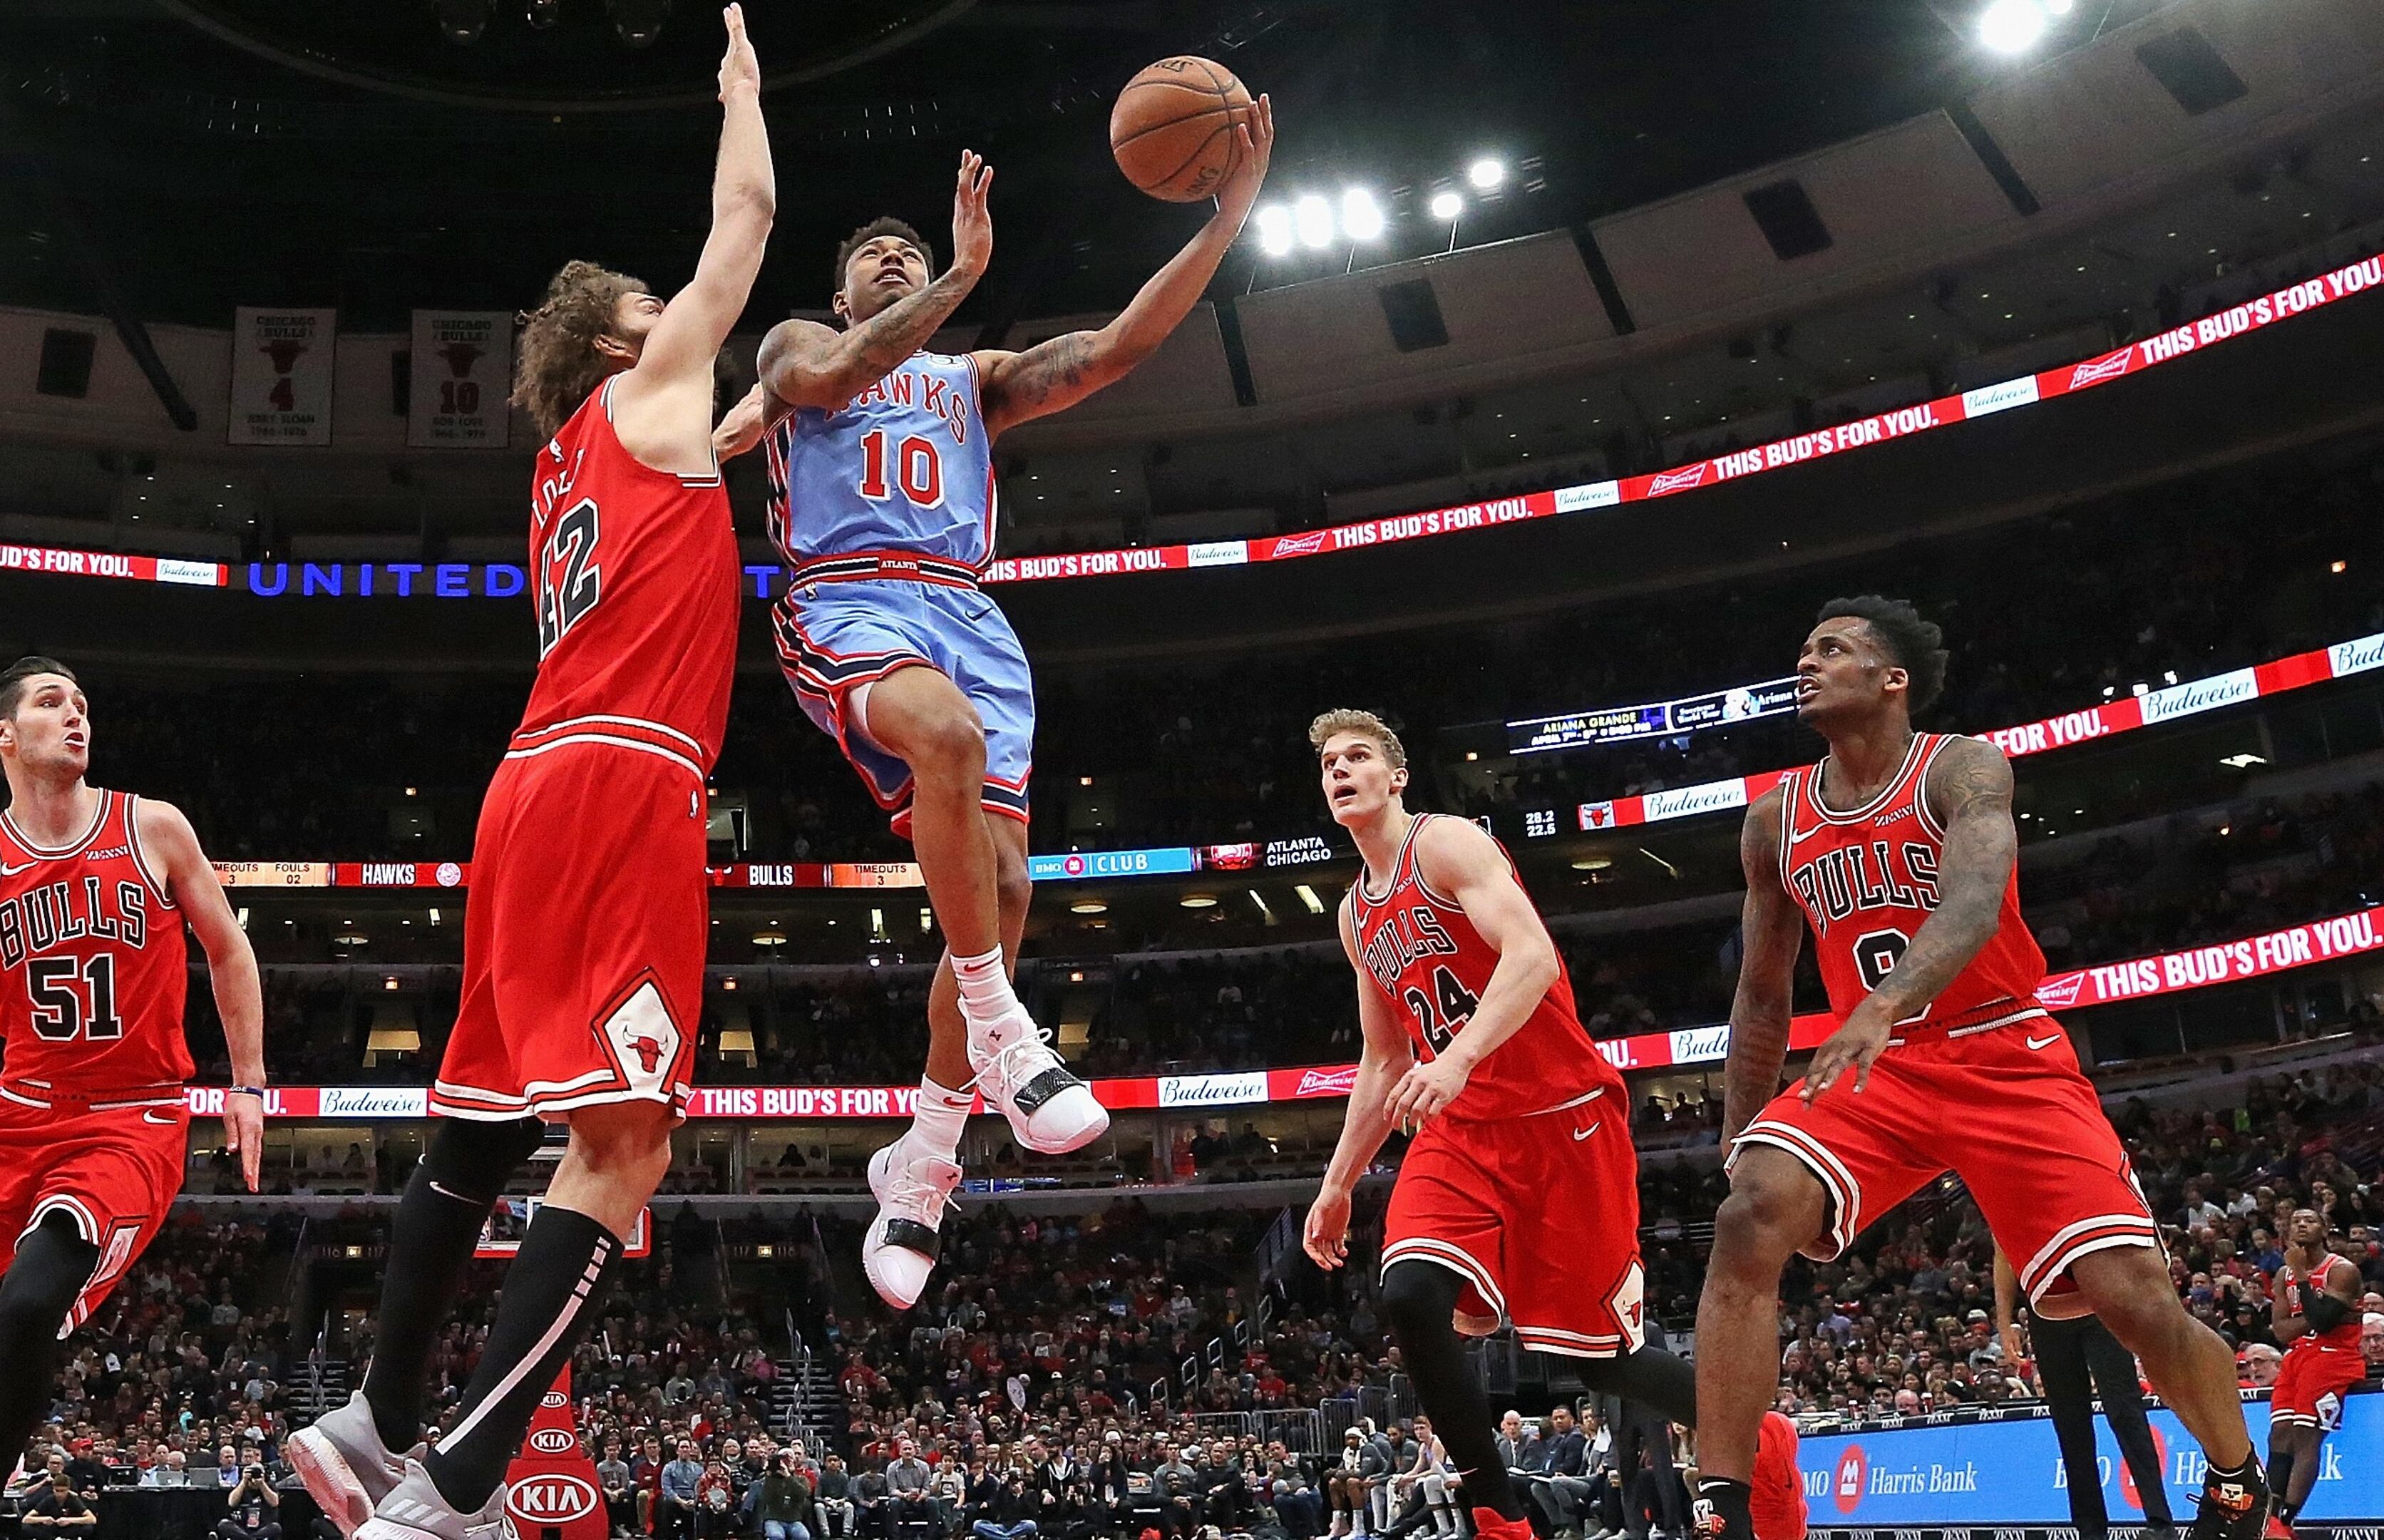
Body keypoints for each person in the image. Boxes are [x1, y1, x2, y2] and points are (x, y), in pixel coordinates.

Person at [282, 16, 775, 1540]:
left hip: (530, 785)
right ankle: (454, 1491)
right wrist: (743, 93)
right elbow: (747, 224)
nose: (675, 303)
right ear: (632, 338)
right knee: (627, 1145)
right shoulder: (658, 378)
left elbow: (747, 424)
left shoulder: (578, 451)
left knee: (482, 1125)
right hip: (626, 784)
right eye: (656, 302)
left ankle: (372, 1417)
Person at [741, 91, 1275, 1309]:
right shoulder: (791, 348)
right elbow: (831, 375)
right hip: (847, 596)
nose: (897, 259)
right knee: (946, 737)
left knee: (1011, 889)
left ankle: (924, 1158)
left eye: (913, 252)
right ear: (840, 290)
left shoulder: (972, 379)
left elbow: (1122, 345)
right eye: (876, 258)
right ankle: (1004, 1030)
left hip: (969, 614)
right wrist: (960, 274)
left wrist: (1228, 216)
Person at [1691, 597, 2266, 1540]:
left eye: (1831, 649)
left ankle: (2240, 1477)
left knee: (2137, 1301)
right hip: (1877, 1071)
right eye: (1802, 650)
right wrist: (1739, 1128)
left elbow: (1974, 899)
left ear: (1892, 678)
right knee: (1746, 1215)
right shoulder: (1773, 820)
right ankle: (1725, 1500)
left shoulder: (1960, 766)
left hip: (2002, 1047)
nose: (1806, 662)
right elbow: (1761, 996)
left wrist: (1882, 1002)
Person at [1302, 710, 1782, 1540]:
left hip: (1563, 1122)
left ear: (1396, 777)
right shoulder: (1354, 914)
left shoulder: (1446, 844)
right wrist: (1338, 1182)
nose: (1340, 770)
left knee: (1598, 1359)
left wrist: (1453, 1060)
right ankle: (1499, 1512)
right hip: (1462, 1134)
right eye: (1328, 764)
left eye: (1358, 757)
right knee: (1409, 1292)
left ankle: (1758, 1436)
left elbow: (1531, 957)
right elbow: (1383, 1061)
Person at [0, 653, 269, 1540]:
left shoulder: (153, 825)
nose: (76, 717)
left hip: (133, 1115)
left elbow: (229, 949)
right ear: (4, 734)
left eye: (82, 705)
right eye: (51, 702)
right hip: (19, 1113)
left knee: (32, 1302)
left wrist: (249, 1083)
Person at [1997, 1261, 2176, 1540]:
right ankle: (2089, 1529)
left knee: (2126, 1413)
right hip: (2045, 1312)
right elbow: (2003, 1256)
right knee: (2070, 1425)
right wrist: (2004, 1322)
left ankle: (2161, 1522)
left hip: (2100, 1301)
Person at [2269, 1207, 2366, 1536]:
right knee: (2278, 1433)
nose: (2302, 1225)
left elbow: (2325, 1325)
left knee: (2305, 1435)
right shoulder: (2284, 1275)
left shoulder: (2342, 1270)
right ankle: (2268, 1518)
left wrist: (2305, 1278)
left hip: (2333, 1355)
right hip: (2298, 1355)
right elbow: (2281, 1332)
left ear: (2324, 1229)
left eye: (2310, 1220)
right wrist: (2320, 1315)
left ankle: (2286, 1521)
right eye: (2296, 1221)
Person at [223, 1457, 284, 1540]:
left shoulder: (269, 1487)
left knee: (276, 1527)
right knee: (224, 1524)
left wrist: (262, 1484)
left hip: (263, 1528)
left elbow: (275, 1503)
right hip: (242, 1529)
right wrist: (244, 1481)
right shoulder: (241, 1487)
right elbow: (232, 1503)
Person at [759, 1453, 814, 1540]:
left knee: (803, 1536)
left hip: (794, 1519)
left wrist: (788, 1477)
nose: (786, 1464)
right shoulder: (768, 1480)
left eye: (789, 1461)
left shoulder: (801, 1479)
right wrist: (769, 1476)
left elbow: (803, 1494)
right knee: (776, 1536)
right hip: (774, 1518)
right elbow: (766, 1498)